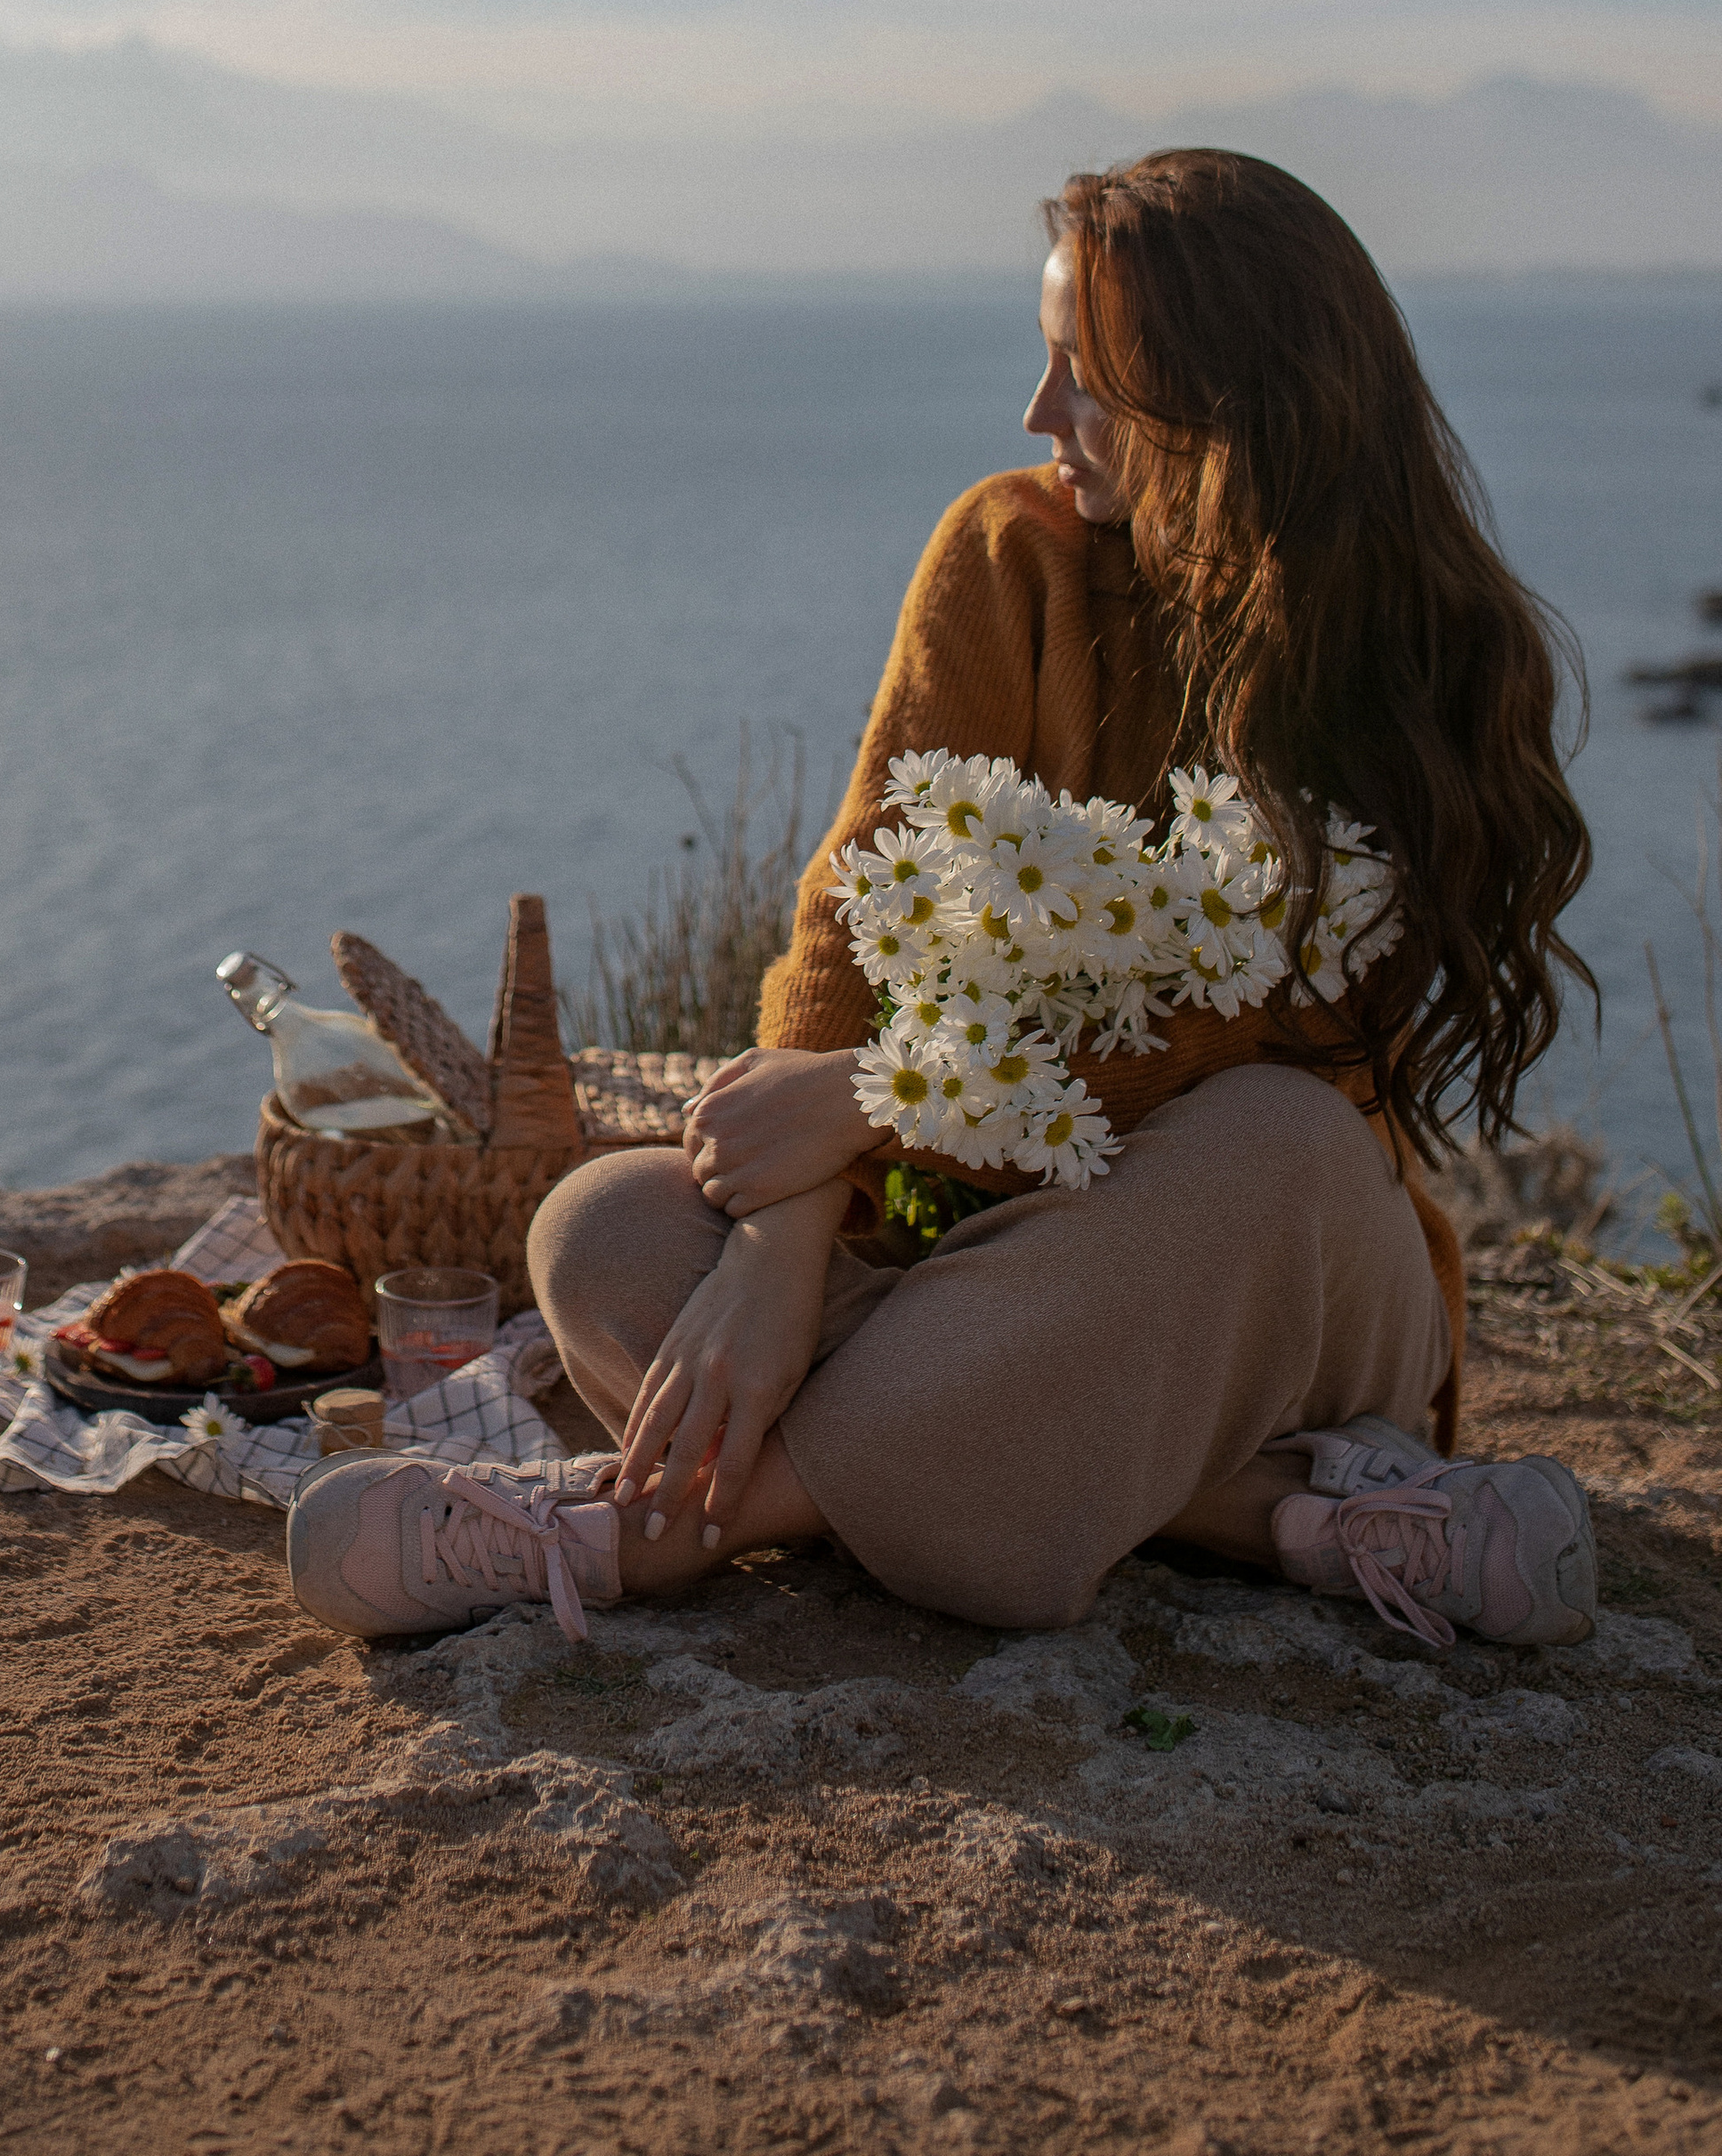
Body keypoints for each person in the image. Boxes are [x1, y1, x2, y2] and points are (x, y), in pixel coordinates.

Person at [286, 150, 1600, 1654]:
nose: (1040, 418)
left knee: (1276, 1141)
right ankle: (1287, 1513)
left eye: (1089, 380)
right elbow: (856, 910)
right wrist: (786, 1247)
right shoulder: (1009, 554)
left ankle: (625, 1536)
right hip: (974, 1249)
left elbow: (1254, 1049)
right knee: (604, 1234)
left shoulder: (1427, 669)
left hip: (1252, 1272)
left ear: (1235, 411)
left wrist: (878, 1108)